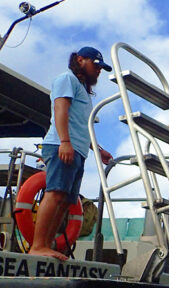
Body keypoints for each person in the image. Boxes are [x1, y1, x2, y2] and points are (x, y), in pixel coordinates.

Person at [29, 47, 113, 261]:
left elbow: (82, 125)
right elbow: (60, 110)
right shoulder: (66, 79)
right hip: (62, 146)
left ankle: (46, 245)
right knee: (55, 194)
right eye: (96, 65)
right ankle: (38, 246)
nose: (98, 70)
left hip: (78, 150)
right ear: (80, 59)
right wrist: (65, 142)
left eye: (101, 68)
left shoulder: (83, 90)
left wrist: (99, 150)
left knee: (66, 200)